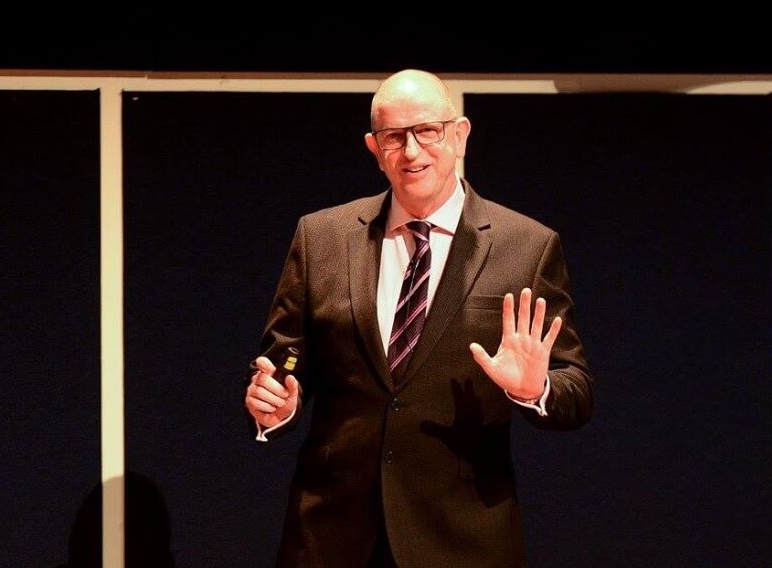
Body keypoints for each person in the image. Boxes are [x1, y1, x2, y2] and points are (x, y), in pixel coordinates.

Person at [244, 69, 594, 567]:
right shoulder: (321, 237)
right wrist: (276, 404)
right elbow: (284, 361)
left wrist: (535, 390)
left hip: (462, 541)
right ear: (374, 147)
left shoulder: (527, 247)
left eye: (427, 131)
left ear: (459, 135)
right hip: (331, 537)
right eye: (394, 137)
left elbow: (576, 391)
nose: (411, 152)